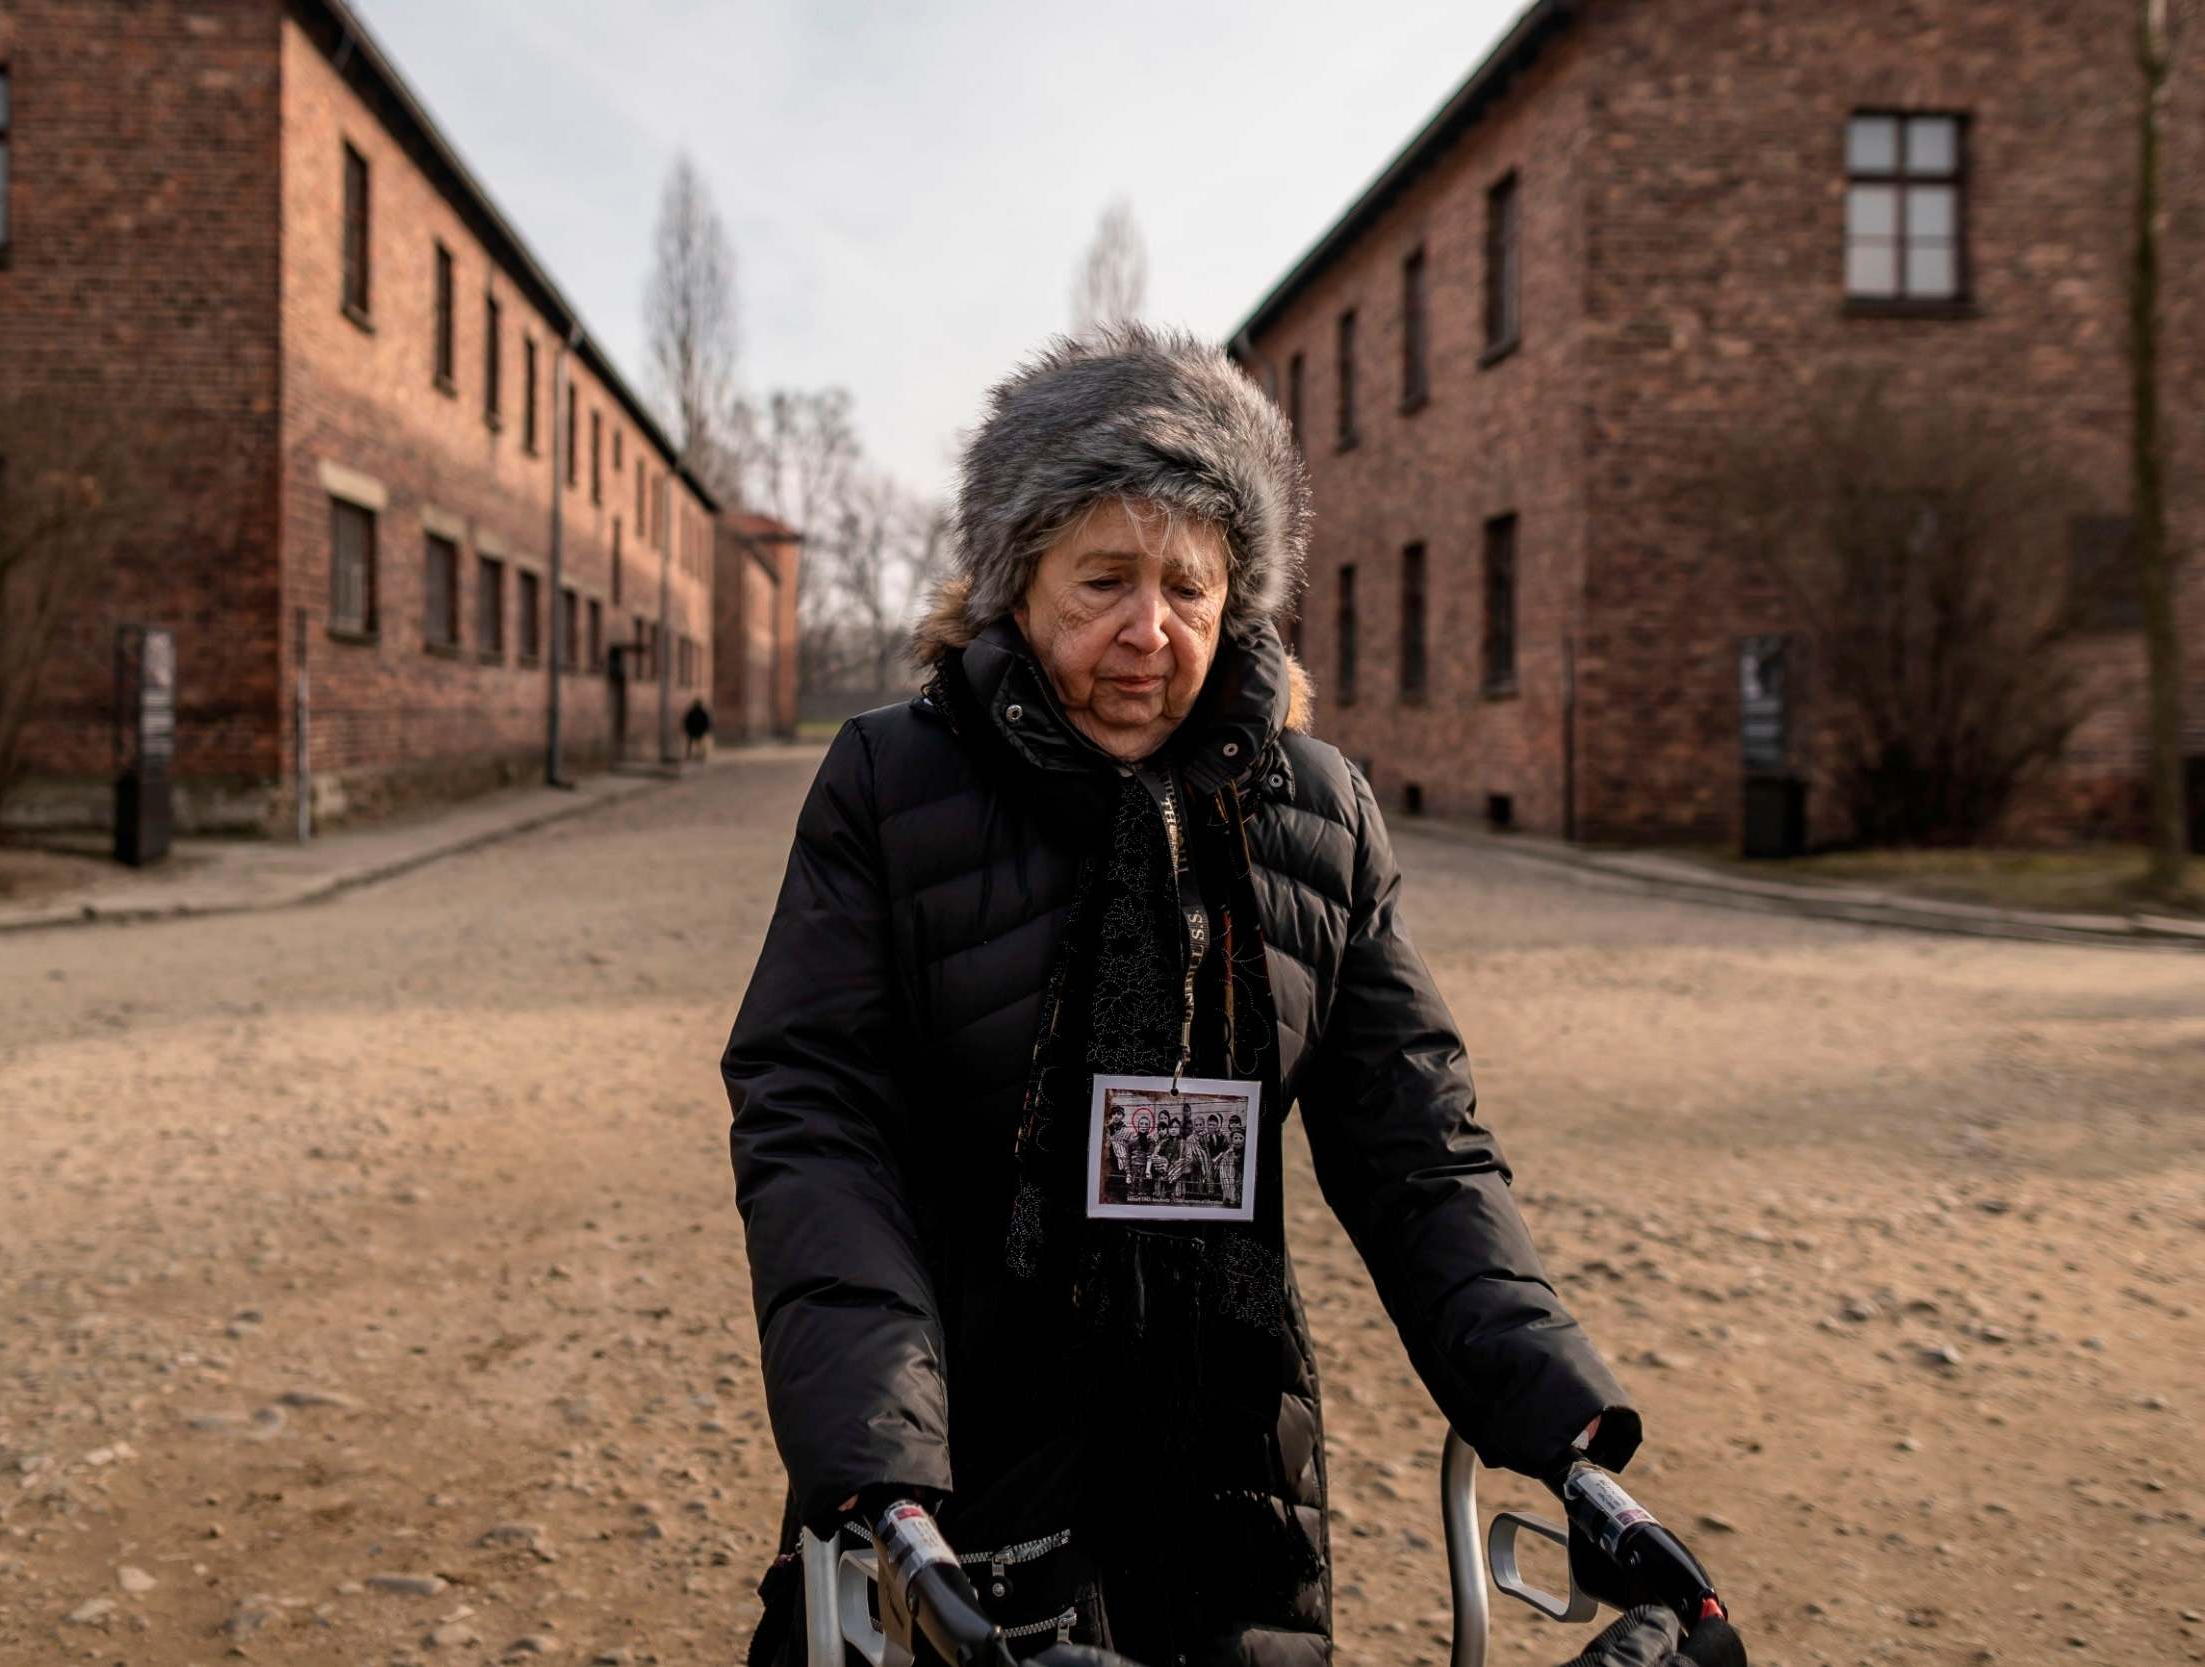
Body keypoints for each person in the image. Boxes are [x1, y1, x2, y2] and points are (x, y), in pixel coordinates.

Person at [725, 325, 1637, 1667]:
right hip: (955, 1449)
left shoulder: (1315, 811)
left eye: (1188, 587)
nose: (1146, 632)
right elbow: (814, 1112)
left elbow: (1417, 1146)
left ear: (1238, 600)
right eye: (1101, 577)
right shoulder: (889, 784)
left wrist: (1560, 1426)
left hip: (1226, 1453)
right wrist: (876, 1454)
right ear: (1014, 584)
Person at [682, 696, 713, 761]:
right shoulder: (699, 712)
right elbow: (687, 721)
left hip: (694, 731)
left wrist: (687, 729)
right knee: (699, 744)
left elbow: (686, 721)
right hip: (696, 731)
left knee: (697, 744)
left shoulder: (695, 712)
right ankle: (699, 755)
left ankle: (696, 755)